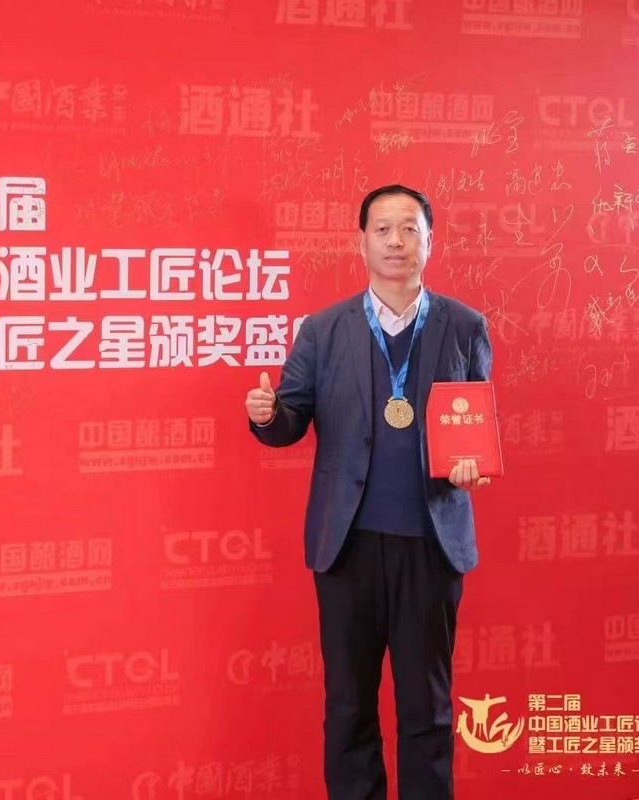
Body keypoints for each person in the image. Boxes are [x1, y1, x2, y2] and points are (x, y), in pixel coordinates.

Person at [245, 184, 493, 800]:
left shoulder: (465, 326)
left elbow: (474, 420)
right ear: (361, 242)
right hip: (347, 545)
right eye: (382, 229)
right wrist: (267, 415)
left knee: (428, 708)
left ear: (430, 241)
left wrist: (472, 464)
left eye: (409, 229)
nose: (395, 242)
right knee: (349, 705)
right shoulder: (324, 330)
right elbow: (290, 419)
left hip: (430, 544)